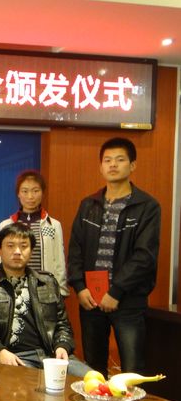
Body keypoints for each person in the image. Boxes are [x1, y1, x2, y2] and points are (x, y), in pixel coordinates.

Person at [68, 137, 160, 377]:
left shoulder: (147, 206)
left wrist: (116, 291)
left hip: (127, 301)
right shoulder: (88, 205)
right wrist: (79, 287)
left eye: (120, 160)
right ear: (100, 167)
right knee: (93, 372)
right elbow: (75, 249)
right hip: (91, 299)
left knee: (132, 371)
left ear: (132, 165)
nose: (113, 165)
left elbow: (144, 256)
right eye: (107, 160)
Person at [0, 222, 90, 376]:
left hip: (52, 354)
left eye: (24, 246)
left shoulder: (47, 282)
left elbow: (63, 324)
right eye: (10, 246)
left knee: (94, 382)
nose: (17, 251)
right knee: (34, 388)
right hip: (15, 358)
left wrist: (62, 345)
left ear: (31, 251)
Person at [0, 170, 68, 296]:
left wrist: (60, 291)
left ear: (42, 193)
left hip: (45, 289)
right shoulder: (6, 225)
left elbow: (59, 262)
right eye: (25, 191)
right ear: (18, 194)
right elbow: (0, 259)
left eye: (35, 191)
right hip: (14, 290)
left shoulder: (53, 225)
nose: (30, 196)